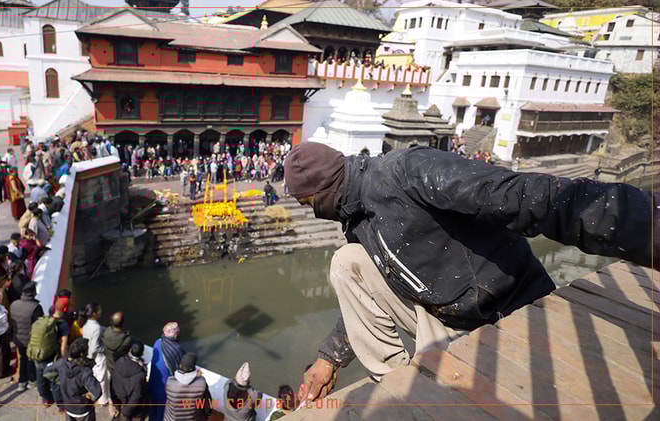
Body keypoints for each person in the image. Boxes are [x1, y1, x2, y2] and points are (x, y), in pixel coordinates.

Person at [283, 142, 658, 403]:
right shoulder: (356, 218)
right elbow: (367, 288)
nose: (313, 210)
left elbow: (523, 196)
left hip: (507, 310)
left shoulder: (406, 171)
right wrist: (328, 358)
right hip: (444, 316)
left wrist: (641, 225)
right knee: (347, 262)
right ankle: (400, 383)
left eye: (307, 203)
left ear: (323, 191)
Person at [44, 338, 102, 421]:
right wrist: (89, 396)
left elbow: (46, 372)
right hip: (84, 409)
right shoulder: (85, 371)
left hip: (68, 407)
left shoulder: (61, 363)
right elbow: (97, 392)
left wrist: (60, 380)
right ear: (82, 354)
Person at [10, 281, 44, 393]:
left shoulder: (14, 304)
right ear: (33, 292)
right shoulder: (36, 307)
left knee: (23, 359)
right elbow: (39, 324)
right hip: (31, 339)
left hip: (18, 338)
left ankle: (22, 381)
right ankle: (32, 380)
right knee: (31, 360)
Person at [81, 303, 114, 415]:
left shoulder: (86, 324)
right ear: (94, 313)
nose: (101, 312)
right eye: (99, 310)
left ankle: (97, 393)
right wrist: (105, 348)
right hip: (98, 356)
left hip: (88, 355)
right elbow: (95, 347)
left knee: (96, 375)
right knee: (102, 378)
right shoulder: (96, 327)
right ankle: (103, 398)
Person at [147, 322, 184, 421]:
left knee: (152, 410)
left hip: (152, 384)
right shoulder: (177, 349)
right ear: (176, 335)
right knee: (160, 415)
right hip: (164, 390)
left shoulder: (157, 342)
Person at [164, 353, 212, 421]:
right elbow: (208, 406)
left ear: (180, 366)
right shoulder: (202, 383)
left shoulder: (170, 381)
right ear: (194, 368)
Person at [111, 340, 148, 421]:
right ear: (142, 354)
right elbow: (136, 396)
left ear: (130, 350)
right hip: (131, 407)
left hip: (118, 398)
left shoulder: (119, 361)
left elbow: (112, 380)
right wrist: (125, 413)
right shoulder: (140, 375)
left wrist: (114, 402)